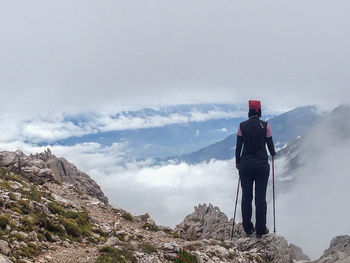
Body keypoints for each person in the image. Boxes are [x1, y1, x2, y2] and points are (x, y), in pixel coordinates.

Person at [235, 100, 276, 237]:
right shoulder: (265, 126)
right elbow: (270, 147)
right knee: (260, 197)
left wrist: (238, 162)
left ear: (249, 111)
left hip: (246, 165)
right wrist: (274, 154)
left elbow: (238, 147)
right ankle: (260, 229)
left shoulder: (242, 126)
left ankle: (247, 227)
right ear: (259, 111)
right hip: (261, 165)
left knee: (246, 196)